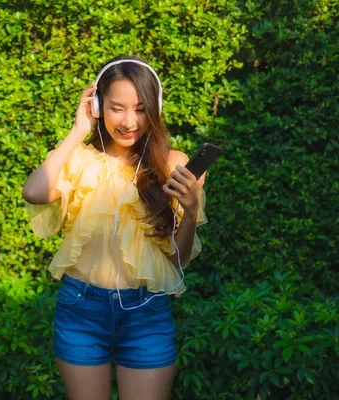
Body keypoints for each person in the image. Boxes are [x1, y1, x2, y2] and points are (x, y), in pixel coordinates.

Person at [22, 55, 208, 400]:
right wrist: (79, 130)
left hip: (146, 313)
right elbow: (34, 192)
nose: (128, 122)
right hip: (82, 309)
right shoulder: (80, 160)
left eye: (140, 109)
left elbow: (179, 261)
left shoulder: (174, 165)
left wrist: (192, 211)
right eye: (116, 108)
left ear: (155, 108)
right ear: (97, 106)